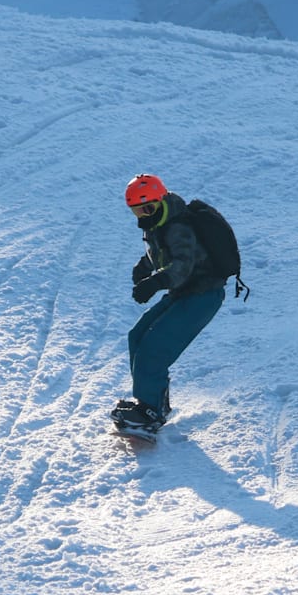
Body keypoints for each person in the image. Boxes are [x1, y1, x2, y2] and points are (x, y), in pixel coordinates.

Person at [113, 173, 227, 433]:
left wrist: (153, 283)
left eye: (148, 208)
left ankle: (150, 413)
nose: (143, 216)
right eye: (137, 211)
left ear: (161, 201)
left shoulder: (179, 226)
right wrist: (143, 267)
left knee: (154, 349)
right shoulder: (158, 223)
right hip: (184, 294)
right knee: (138, 336)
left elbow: (182, 266)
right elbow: (161, 252)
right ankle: (151, 403)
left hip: (203, 296)